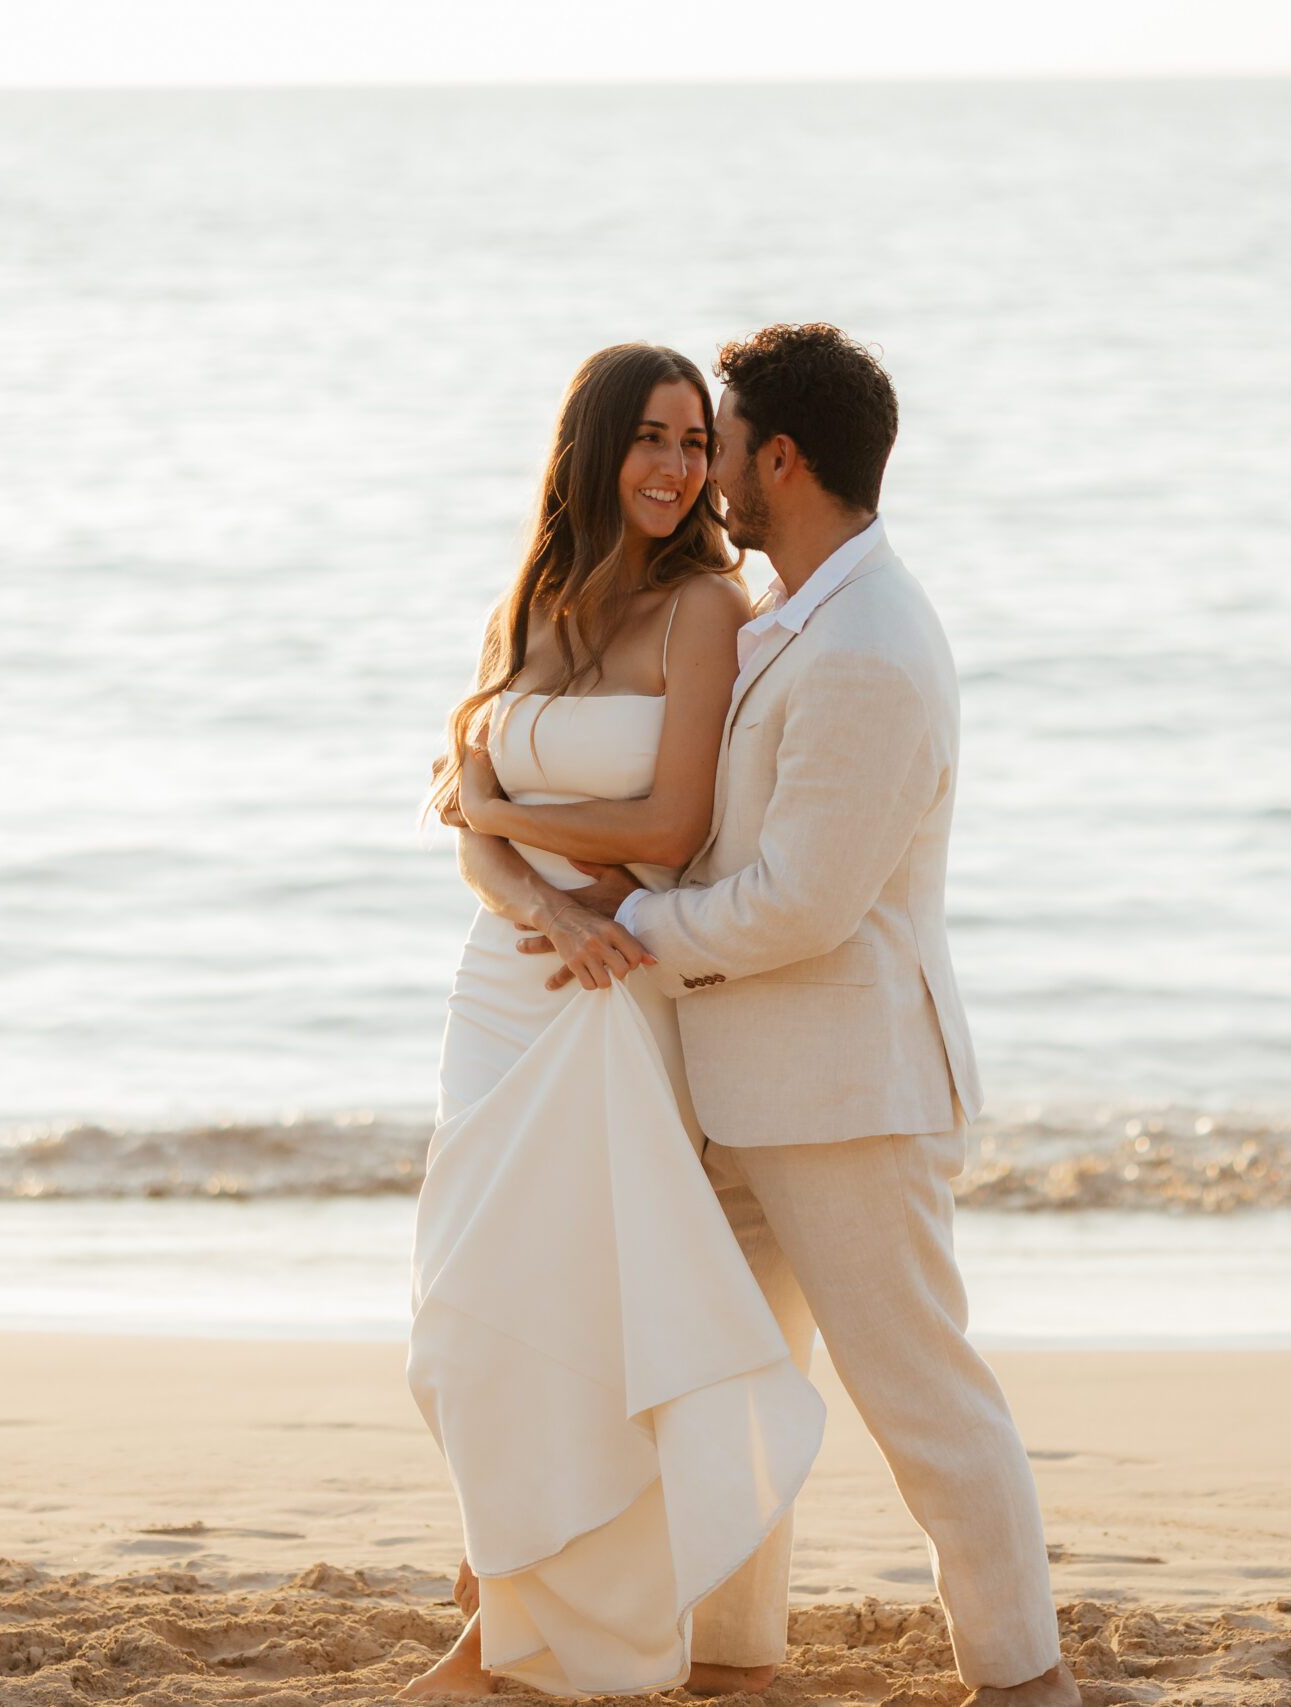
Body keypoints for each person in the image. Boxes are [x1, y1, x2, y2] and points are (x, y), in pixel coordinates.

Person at [487, 324, 1078, 1707]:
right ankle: (736, 1654)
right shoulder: (789, 615)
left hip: (845, 1094)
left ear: (785, 461)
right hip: (744, 1091)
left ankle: (1022, 1674)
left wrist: (625, 933)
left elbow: (803, 903)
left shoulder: (868, 645)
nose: (708, 475)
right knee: (729, 1384)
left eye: (726, 444)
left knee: (921, 1397)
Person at [402, 342, 826, 1700]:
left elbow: (673, 824)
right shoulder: (526, 605)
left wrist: (503, 815)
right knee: (468, 1325)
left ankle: (516, 1644)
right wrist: (539, 898)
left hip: (609, 1000)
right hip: (507, 987)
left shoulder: (704, 609)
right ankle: (503, 1590)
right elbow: (469, 852)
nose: (676, 466)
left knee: (582, 1320)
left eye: (696, 442)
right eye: (651, 437)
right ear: (593, 448)